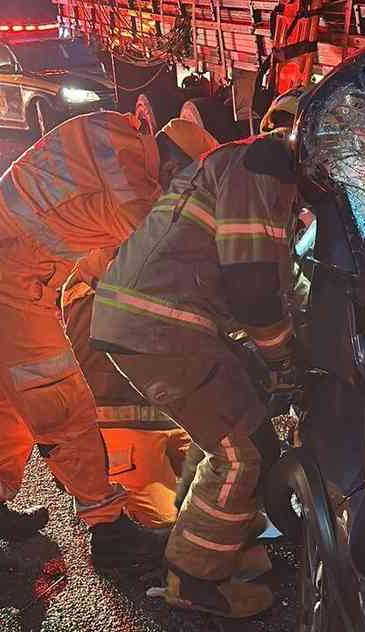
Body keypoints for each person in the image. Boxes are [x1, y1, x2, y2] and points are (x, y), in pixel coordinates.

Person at [0, 111, 217, 567]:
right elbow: (158, 265)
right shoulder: (130, 184)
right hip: (3, 289)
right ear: (173, 170)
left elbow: (94, 244)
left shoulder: (107, 132)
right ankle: (108, 529)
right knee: (62, 405)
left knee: (0, 405)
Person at [89, 129, 300, 617]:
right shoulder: (265, 168)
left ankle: (230, 555)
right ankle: (196, 581)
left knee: (238, 439)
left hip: (153, 321)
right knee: (242, 454)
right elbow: (252, 286)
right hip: (163, 327)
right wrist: (283, 358)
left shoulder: (242, 161)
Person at [60, 119, 219, 529]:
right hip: (122, 417)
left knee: (225, 511)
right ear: (171, 171)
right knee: (163, 529)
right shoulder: (132, 227)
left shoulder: (166, 219)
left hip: (166, 414)